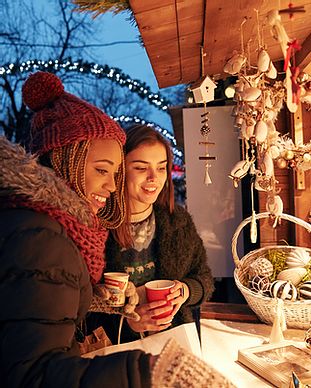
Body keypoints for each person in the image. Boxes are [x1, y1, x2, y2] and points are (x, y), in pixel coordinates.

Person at [88, 125, 214, 344]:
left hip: (175, 343)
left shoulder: (177, 220)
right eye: (140, 168)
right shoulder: (95, 227)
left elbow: (204, 279)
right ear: (120, 170)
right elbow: (81, 306)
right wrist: (127, 323)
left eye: (162, 168)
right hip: (118, 353)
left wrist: (185, 291)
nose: (153, 178)